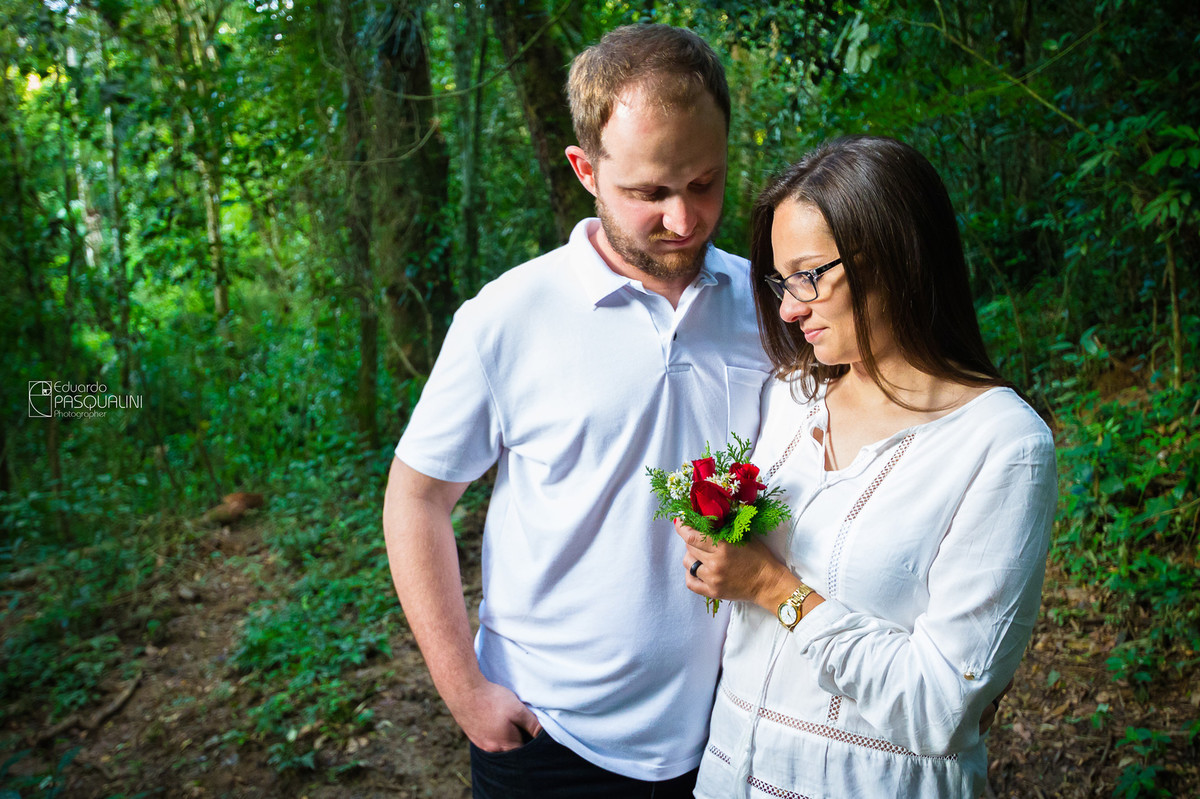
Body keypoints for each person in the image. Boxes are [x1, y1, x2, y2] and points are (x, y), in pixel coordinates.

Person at [382, 24, 772, 797]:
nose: (685, 219)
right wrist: (466, 690)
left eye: (704, 183)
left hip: (734, 733)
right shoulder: (508, 316)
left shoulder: (769, 304)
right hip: (550, 739)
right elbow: (416, 498)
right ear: (585, 171)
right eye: (649, 193)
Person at [676, 135, 1057, 798]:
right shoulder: (793, 397)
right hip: (728, 773)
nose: (789, 307)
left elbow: (942, 710)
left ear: (896, 257)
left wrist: (774, 587)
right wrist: (716, 552)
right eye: (779, 280)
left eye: (808, 275)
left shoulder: (1002, 445)